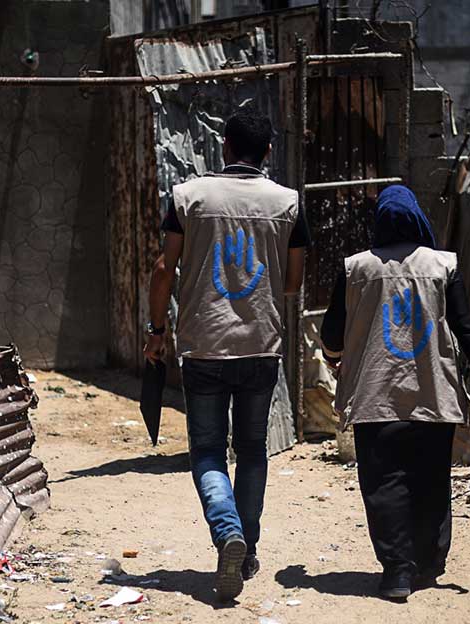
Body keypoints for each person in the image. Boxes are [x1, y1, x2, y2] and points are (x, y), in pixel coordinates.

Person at [144, 109, 309, 603]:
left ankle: (226, 534)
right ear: (268, 152)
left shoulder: (189, 196)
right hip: (261, 344)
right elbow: (294, 283)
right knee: (253, 449)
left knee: (209, 451)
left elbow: (162, 268)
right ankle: (248, 545)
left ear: (224, 148)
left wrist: (158, 330)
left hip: (203, 344)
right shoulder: (288, 204)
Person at [319, 184, 470, 601]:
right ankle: (428, 561)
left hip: (375, 395)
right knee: (430, 478)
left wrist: (335, 357)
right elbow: (466, 325)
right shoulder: (442, 266)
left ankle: (396, 571)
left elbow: (333, 331)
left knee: (383, 481)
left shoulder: (355, 268)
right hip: (432, 393)